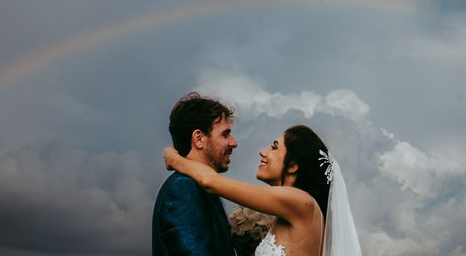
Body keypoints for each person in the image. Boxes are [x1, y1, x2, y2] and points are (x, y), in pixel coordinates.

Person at [165, 125, 362, 256]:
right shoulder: (291, 211)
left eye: (274, 147)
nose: (263, 151)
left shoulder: (301, 202)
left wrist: (174, 158)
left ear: (292, 166)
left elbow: (210, 181)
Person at [152, 92, 238, 256]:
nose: (234, 142)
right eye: (225, 134)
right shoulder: (183, 188)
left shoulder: (200, 187)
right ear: (199, 138)